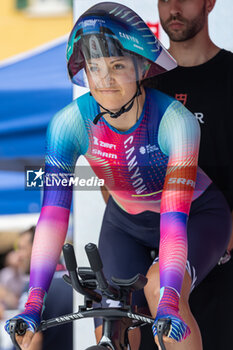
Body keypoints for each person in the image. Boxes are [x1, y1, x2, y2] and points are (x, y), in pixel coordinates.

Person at [5, 2, 232, 350]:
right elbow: (53, 216)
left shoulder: (177, 121)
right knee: (109, 317)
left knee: (161, 291)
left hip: (195, 216)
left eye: (117, 66)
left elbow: (174, 218)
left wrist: (170, 297)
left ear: (141, 68)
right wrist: (35, 300)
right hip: (125, 222)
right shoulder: (68, 124)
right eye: (94, 67)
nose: (105, 80)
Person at [144, 1, 233, 348]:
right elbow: (117, 168)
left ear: (210, 2)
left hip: (224, 267)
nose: (174, 8)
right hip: (155, 267)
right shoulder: (141, 82)